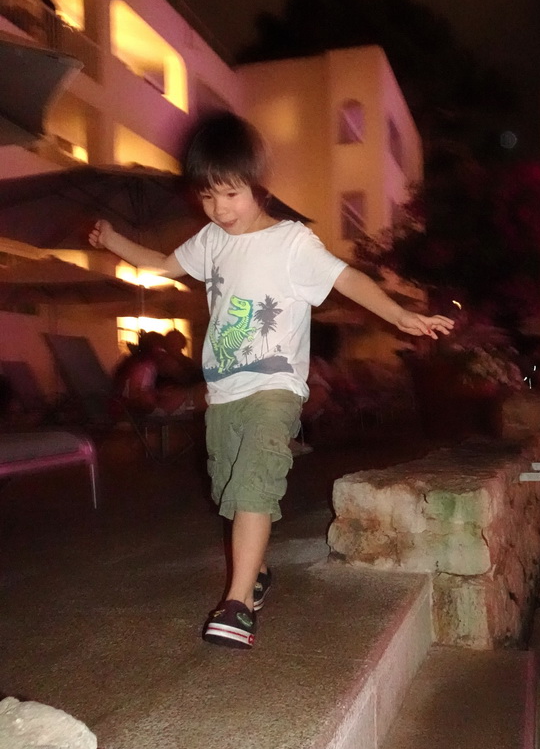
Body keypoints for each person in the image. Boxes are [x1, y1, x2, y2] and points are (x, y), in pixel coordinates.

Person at [89, 110, 454, 650]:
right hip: (224, 393)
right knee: (229, 492)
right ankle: (254, 572)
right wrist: (114, 240)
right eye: (208, 197)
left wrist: (399, 314)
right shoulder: (212, 239)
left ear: (256, 184)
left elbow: (346, 276)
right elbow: (164, 263)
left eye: (230, 194)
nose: (220, 209)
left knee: (255, 480)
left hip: (275, 387)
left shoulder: (291, 243)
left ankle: (237, 605)